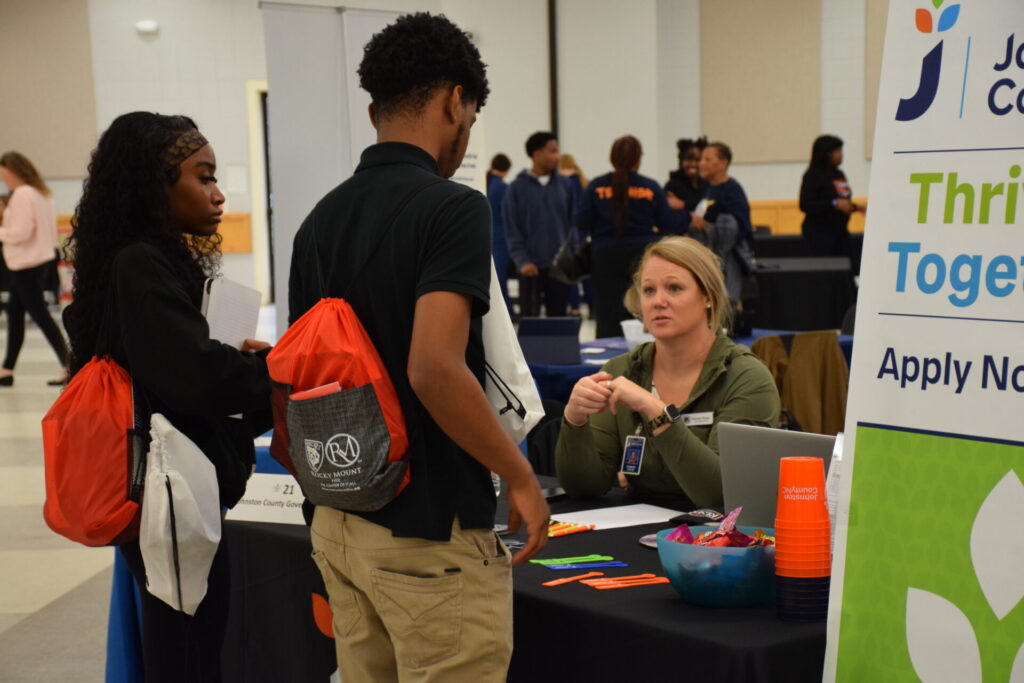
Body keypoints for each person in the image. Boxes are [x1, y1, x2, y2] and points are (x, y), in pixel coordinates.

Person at [287, 13, 549, 682]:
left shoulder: (316, 223)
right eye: (471, 116)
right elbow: (434, 368)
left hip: (341, 522)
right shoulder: (453, 207)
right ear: (455, 102)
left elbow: (298, 380)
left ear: (373, 111)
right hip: (429, 537)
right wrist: (520, 477)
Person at [62, 112, 272, 682]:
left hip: (175, 490)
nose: (218, 194)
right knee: (187, 652)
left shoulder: (145, 260)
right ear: (156, 186)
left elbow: (175, 365)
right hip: (170, 493)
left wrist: (236, 362)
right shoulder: (140, 263)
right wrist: (270, 370)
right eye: (203, 177)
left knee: (186, 643)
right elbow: (193, 376)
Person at [555, 236, 779, 507]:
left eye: (674, 288)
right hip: (637, 524)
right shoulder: (620, 371)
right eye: (649, 290)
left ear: (708, 297)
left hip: (715, 530)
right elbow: (585, 488)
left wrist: (656, 411)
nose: (658, 301)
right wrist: (575, 419)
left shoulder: (746, 378)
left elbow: (721, 494)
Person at [576, 135, 688, 339]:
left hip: (605, 256)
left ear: (612, 157)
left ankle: (608, 355)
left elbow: (582, 221)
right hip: (642, 255)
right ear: (638, 159)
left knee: (607, 313)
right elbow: (670, 224)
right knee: (641, 309)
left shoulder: (596, 187)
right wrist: (684, 212)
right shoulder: (650, 187)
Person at [0, 152, 69, 386]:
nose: (4, 180)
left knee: (40, 315)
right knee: (15, 313)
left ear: (14, 171)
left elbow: (21, 232)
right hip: (39, 261)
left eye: (4, 175)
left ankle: (69, 363)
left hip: (25, 264)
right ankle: (7, 370)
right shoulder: (42, 194)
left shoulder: (22, 194)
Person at [503, 131, 574, 317]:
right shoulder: (516, 189)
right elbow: (512, 229)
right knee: (530, 324)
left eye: (557, 151)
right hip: (530, 269)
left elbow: (573, 224)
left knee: (558, 323)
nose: (557, 156)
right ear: (536, 154)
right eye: (552, 151)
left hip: (559, 269)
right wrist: (523, 261)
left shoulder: (565, 185)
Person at [689, 141, 756, 301]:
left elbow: (740, 227)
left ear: (723, 163)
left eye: (707, 159)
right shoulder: (708, 188)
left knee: (726, 301)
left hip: (728, 255)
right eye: (701, 159)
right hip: (709, 251)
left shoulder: (732, 190)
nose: (701, 164)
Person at [799, 134, 863, 273]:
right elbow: (805, 205)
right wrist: (833, 203)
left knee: (849, 270)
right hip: (820, 235)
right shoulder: (812, 175)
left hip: (840, 231)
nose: (842, 155)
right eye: (838, 151)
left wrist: (855, 207)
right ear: (827, 154)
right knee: (827, 273)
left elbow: (842, 200)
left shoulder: (839, 174)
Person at [487, 152, 514, 314]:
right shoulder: (502, 187)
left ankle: (507, 310)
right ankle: (507, 311)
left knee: (497, 277)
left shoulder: (488, 183)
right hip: (503, 237)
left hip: (492, 235)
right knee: (501, 277)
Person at [664, 136, 708, 212]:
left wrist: (683, 204)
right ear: (681, 161)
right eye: (688, 159)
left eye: (697, 160)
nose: (693, 164)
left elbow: (711, 208)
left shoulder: (708, 184)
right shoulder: (672, 186)